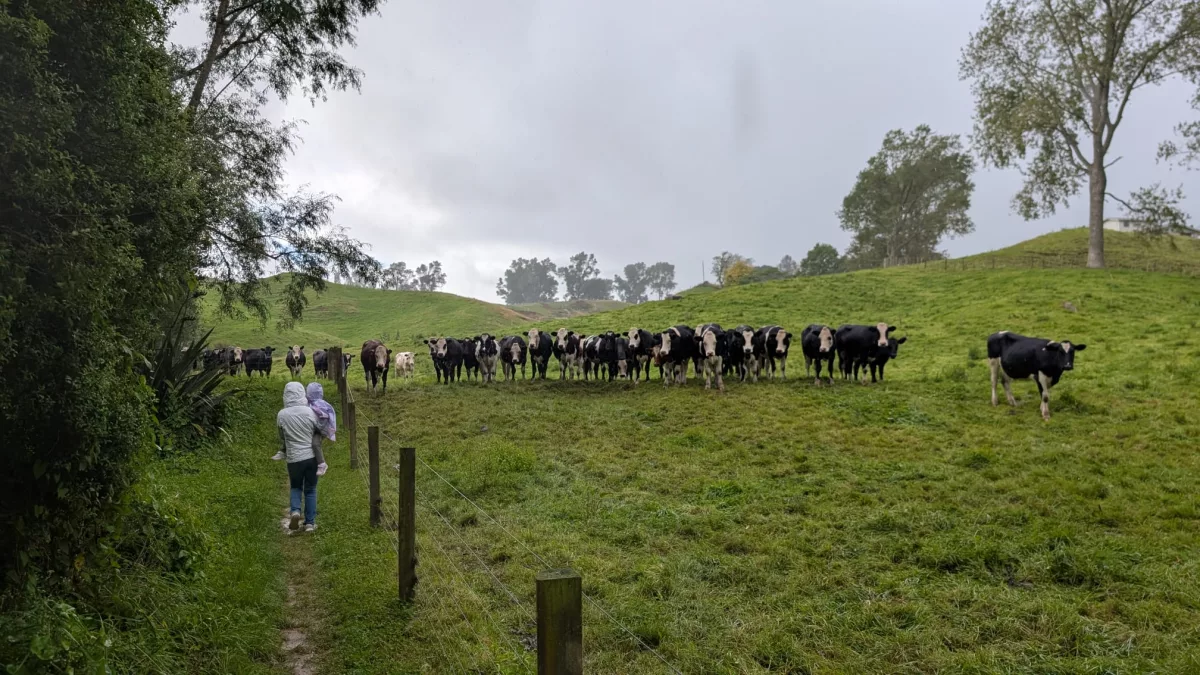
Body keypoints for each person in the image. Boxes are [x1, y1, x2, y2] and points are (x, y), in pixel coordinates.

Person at [274, 382, 320, 532]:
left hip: (293, 458)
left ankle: (295, 511)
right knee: (311, 489)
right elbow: (318, 430)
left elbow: (282, 436)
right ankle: (310, 524)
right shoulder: (310, 412)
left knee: (295, 486)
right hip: (311, 457)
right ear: (302, 393)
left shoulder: (282, 414)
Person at [305, 382, 334, 477]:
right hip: (311, 429)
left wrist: (321, 427)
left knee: (315, 443)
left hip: (319, 430)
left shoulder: (321, 405)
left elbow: (327, 416)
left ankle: (322, 463)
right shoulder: (307, 404)